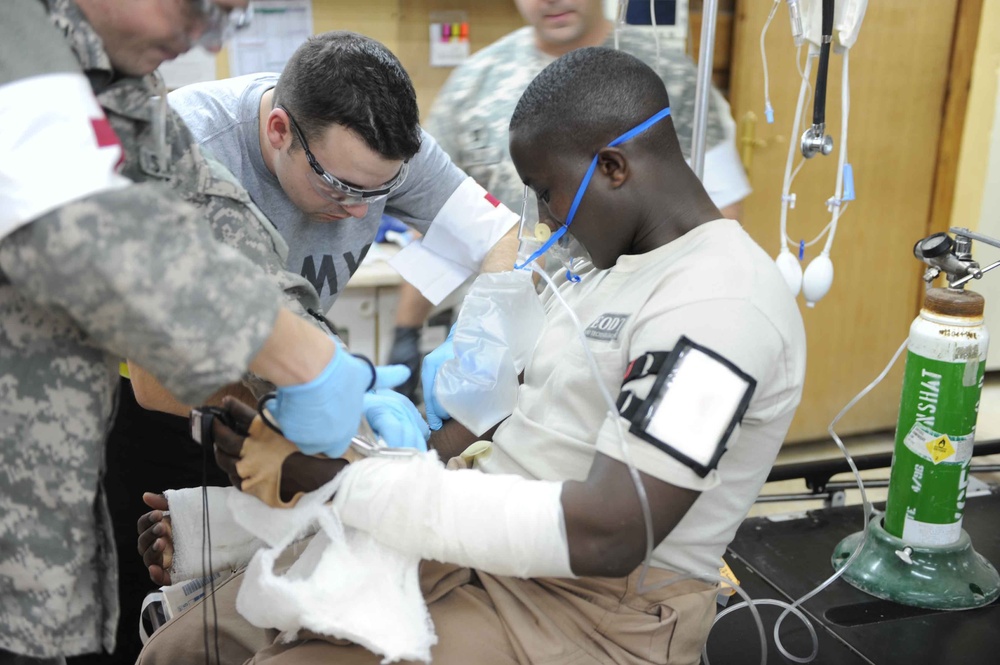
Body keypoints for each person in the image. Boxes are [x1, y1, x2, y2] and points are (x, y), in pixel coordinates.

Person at [135, 46, 806, 665]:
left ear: (613, 167)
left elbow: (610, 532)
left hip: (592, 606)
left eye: (547, 190)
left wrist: (341, 482)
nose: (544, 221)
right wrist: (253, 511)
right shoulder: (602, 266)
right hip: (480, 551)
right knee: (189, 647)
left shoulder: (720, 305)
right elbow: (481, 426)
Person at [0, 2, 416, 663]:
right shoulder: (16, 43)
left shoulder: (117, 83)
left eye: (230, 17)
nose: (206, 37)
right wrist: (303, 358)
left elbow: (210, 216)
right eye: (202, 7)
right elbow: (94, 233)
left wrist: (314, 346)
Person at [389, 0, 753, 400]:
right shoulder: (473, 85)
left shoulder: (668, 75)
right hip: (499, 349)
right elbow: (439, 228)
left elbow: (719, 209)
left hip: (613, 346)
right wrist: (405, 333)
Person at [168, 31, 520, 396]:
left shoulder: (382, 149)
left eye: (381, 190)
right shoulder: (189, 150)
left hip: (288, 372)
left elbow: (501, 235)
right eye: (338, 186)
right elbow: (161, 378)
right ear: (279, 131)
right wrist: (309, 401)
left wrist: (481, 338)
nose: (360, 209)